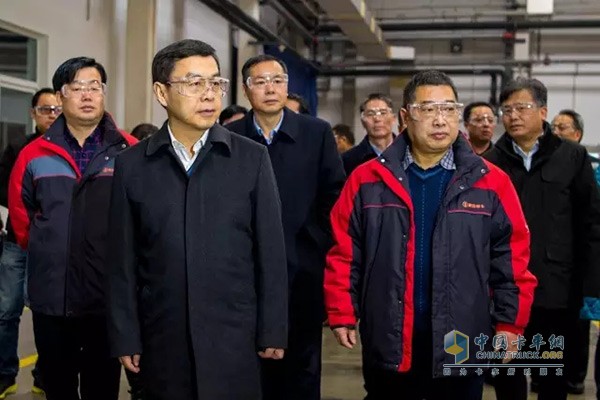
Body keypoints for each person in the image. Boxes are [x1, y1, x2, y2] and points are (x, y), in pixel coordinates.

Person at [325, 70, 537, 400]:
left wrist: (510, 323)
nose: (440, 119)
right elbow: (345, 251)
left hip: (462, 340)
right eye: (428, 109)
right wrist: (342, 311)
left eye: (449, 109)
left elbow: (511, 258)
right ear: (405, 117)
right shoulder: (368, 180)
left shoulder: (491, 182)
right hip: (389, 337)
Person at [106, 39, 288, 400]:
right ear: (162, 92)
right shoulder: (132, 165)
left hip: (234, 334)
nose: (208, 94)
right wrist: (125, 334)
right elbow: (122, 262)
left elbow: (270, 250)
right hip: (163, 334)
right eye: (194, 83)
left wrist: (273, 327)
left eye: (215, 83)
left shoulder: (250, 159)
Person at [8, 57, 137, 400]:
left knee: (102, 387)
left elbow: (142, 218)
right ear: (60, 96)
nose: (87, 95)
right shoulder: (33, 155)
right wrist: (52, 249)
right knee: (57, 387)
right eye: (77, 87)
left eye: (95, 86)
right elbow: (22, 221)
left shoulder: (128, 151)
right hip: (52, 298)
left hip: (106, 298)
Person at [227, 54, 345, 400]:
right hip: (244, 276)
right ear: (246, 89)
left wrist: (314, 245)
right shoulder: (229, 137)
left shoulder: (316, 133)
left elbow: (334, 198)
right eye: (260, 82)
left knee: (300, 372)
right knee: (248, 373)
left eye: (277, 81)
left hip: (301, 272)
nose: (270, 89)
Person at [484, 77, 600, 400]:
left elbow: (591, 224)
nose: (513, 116)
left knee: (551, 377)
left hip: (557, 290)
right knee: (508, 375)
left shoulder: (573, 157)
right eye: (507, 110)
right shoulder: (491, 162)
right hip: (506, 292)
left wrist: (590, 287)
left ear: (543, 111)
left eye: (522, 107)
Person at [0, 87, 61, 397]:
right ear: (33, 113)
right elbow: (4, 189)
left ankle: (44, 375)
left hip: (50, 245)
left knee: (46, 313)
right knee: (6, 311)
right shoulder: (17, 149)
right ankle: (5, 375)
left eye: (56, 109)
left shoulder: (64, 149)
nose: (51, 115)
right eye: (44, 109)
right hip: (16, 241)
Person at [342, 93, 396, 176]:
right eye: (370, 114)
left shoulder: (409, 154)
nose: (377, 119)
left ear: (393, 118)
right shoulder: (348, 160)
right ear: (363, 122)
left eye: (383, 113)